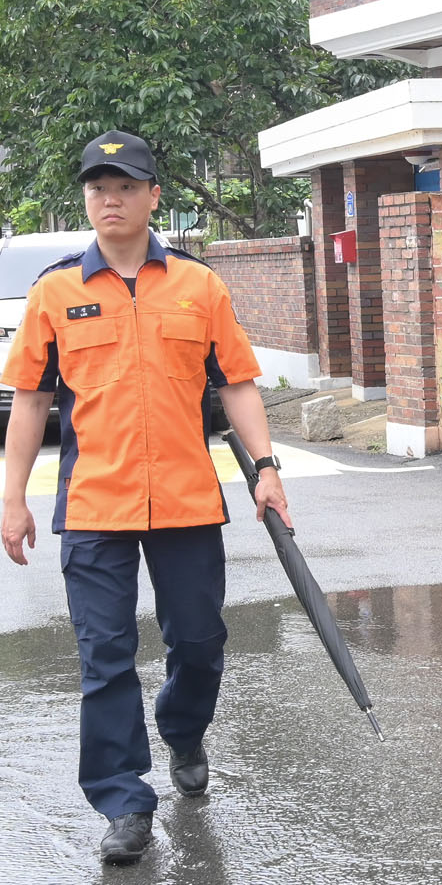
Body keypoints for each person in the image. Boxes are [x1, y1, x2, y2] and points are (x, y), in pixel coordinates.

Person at [0, 131, 291, 865]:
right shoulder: (55, 292)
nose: (110, 199)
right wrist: (12, 497)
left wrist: (267, 467)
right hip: (94, 503)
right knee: (104, 654)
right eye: (98, 187)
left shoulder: (199, 285)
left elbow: (237, 383)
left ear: (154, 195)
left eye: (126, 186)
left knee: (199, 641)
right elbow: (30, 401)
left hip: (187, 500)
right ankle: (123, 800)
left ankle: (184, 730)